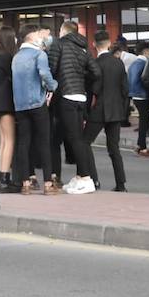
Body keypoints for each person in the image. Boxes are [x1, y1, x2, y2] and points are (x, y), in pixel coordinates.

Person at [47, 20, 99, 194]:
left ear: (63, 31)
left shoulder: (58, 44)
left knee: (69, 138)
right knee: (76, 137)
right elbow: (96, 72)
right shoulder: (83, 48)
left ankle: (85, 178)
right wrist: (79, 74)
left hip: (65, 96)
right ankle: (80, 178)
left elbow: (51, 69)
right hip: (80, 96)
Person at [12, 25, 59, 194]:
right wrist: (53, 86)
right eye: (38, 34)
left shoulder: (16, 57)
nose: (41, 37)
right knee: (44, 142)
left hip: (20, 105)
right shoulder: (39, 54)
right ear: (31, 36)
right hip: (37, 104)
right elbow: (44, 74)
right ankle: (48, 183)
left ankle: (26, 183)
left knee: (24, 143)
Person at [84, 30, 129, 192]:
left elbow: (93, 89)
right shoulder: (119, 63)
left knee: (84, 142)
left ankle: (93, 180)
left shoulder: (95, 64)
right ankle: (121, 184)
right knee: (114, 148)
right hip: (116, 111)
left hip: (99, 110)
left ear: (94, 44)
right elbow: (125, 90)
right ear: (110, 44)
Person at [0, 27, 19, 191]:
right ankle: (4, 179)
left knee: (4, 141)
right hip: (5, 102)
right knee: (9, 140)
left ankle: (0, 177)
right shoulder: (7, 56)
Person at [127, 41, 149, 157]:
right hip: (143, 95)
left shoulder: (133, 64)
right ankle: (141, 146)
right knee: (144, 121)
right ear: (145, 51)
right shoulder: (144, 63)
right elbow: (146, 79)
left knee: (145, 120)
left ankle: (140, 144)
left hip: (134, 94)